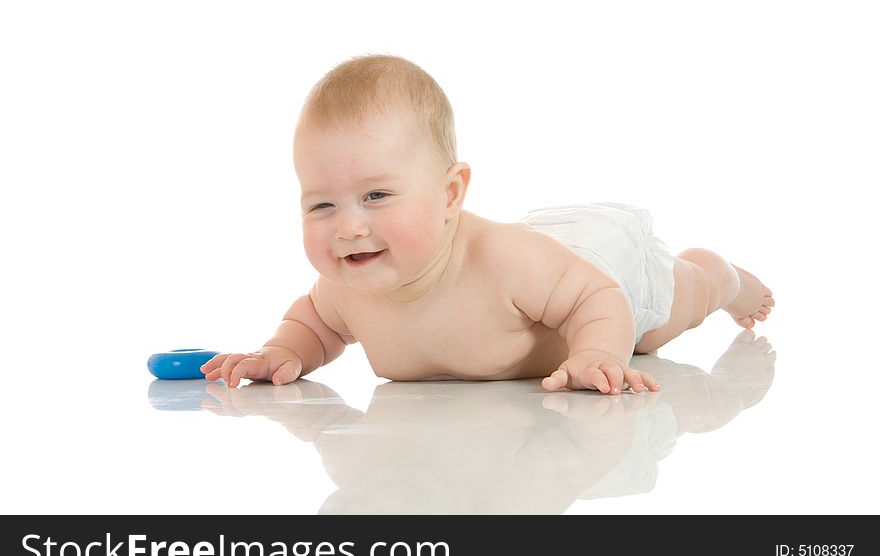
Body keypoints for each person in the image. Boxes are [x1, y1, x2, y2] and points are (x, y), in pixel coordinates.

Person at [201, 55, 775, 394]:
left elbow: (595, 296)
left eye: (376, 195)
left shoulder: (504, 262)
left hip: (597, 273)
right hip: (547, 280)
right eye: (321, 205)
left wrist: (597, 353)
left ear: (450, 193)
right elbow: (316, 326)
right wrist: (283, 351)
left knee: (667, 314)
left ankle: (723, 277)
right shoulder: (343, 289)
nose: (347, 227)